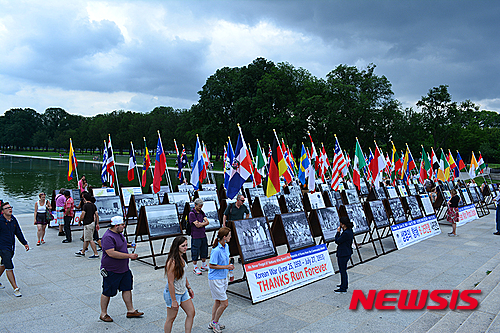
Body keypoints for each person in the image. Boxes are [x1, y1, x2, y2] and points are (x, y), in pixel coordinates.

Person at [99, 216, 143, 322]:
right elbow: (111, 252)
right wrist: (129, 256)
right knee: (107, 291)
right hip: (111, 269)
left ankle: (130, 310)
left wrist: (129, 245)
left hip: (124, 268)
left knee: (127, 288)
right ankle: (103, 313)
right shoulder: (108, 236)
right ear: (116, 225)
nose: (124, 226)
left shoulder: (119, 233)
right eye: (122, 225)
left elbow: (120, 245)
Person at [163, 236, 195, 333]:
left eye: (186, 245)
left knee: (191, 313)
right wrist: (173, 300)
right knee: (171, 318)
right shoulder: (172, 262)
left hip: (183, 291)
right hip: (173, 293)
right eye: (183, 246)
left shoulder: (182, 257)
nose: (185, 247)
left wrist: (188, 288)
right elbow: (170, 282)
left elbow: (183, 275)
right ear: (177, 247)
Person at [0, 202, 29, 297]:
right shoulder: (0, 220)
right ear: (3, 211)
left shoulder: (13, 219)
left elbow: (18, 232)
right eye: (7, 208)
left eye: (10, 207)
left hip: (11, 246)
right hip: (2, 247)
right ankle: (15, 288)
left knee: (4, 264)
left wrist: (24, 243)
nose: (10, 209)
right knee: (9, 266)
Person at [208, 227, 233, 333]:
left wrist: (230, 271)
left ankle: (213, 322)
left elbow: (227, 260)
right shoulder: (216, 250)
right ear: (224, 237)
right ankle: (215, 323)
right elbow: (211, 265)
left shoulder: (226, 246)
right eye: (229, 235)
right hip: (216, 280)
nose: (231, 237)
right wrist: (226, 267)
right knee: (224, 303)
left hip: (223, 277)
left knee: (218, 301)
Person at [188, 198, 209, 275]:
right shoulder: (192, 214)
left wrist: (201, 224)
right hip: (195, 235)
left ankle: (203, 265)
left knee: (204, 249)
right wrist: (202, 223)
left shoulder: (201, 212)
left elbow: (207, 222)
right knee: (195, 251)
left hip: (203, 234)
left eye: (201, 206)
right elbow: (197, 225)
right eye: (199, 206)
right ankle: (195, 267)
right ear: (195, 205)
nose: (201, 207)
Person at [75, 192, 99, 258]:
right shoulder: (93, 205)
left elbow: (82, 215)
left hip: (87, 223)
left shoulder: (85, 205)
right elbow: (96, 215)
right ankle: (83, 251)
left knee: (90, 239)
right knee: (86, 238)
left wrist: (79, 221)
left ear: (84, 198)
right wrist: (97, 223)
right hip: (92, 223)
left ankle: (96, 253)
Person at [334, 216, 354, 293]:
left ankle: (343, 287)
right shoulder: (349, 231)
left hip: (343, 254)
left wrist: (337, 232)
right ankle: (343, 284)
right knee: (343, 270)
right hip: (347, 252)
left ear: (343, 224)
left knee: (343, 271)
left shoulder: (346, 233)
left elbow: (337, 241)